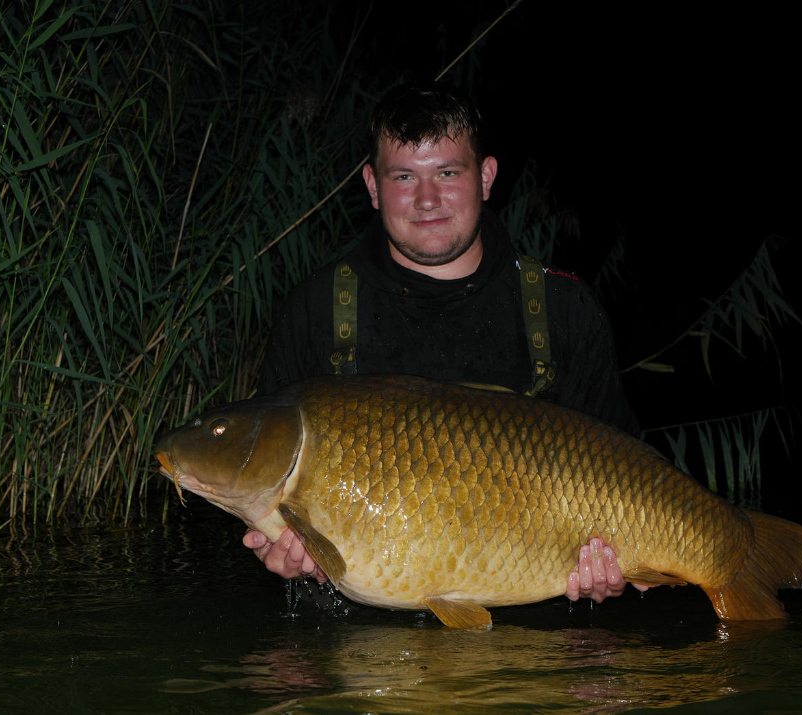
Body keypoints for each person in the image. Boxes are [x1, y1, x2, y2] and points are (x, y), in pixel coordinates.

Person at [244, 82, 647, 604]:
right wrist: (279, 555)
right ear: (372, 184)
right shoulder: (315, 310)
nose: (427, 200)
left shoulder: (563, 311)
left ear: (486, 178)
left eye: (448, 173)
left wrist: (611, 573)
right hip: (356, 647)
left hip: (534, 648)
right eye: (404, 176)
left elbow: (630, 478)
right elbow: (271, 485)